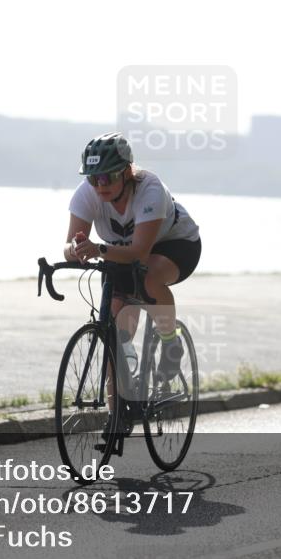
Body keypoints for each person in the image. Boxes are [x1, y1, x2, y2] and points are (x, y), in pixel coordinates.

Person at [64, 131, 201, 398]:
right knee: (114, 337)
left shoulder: (150, 189)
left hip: (175, 244)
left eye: (107, 176)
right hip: (119, 251)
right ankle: (117, 420)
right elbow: (68, 245)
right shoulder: (86, 195)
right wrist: (75, 249)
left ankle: (171, 344)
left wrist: (99, 249)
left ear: (127, 172)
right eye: (93, 178)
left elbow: (139, 253)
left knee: (148, 278)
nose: (99, 185)